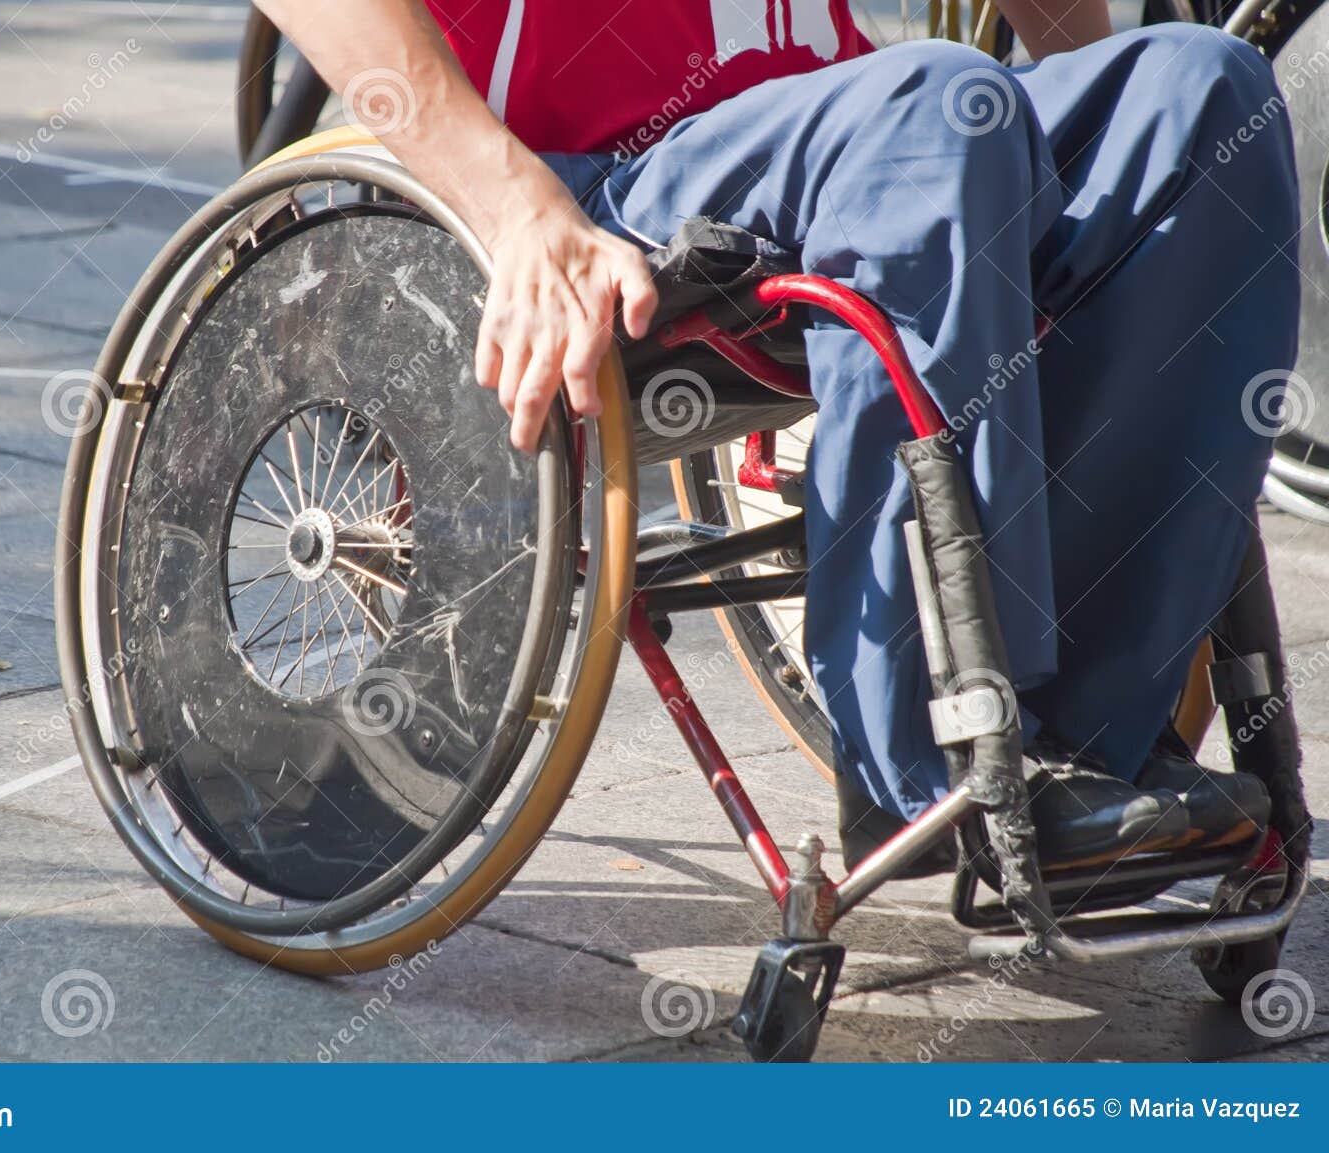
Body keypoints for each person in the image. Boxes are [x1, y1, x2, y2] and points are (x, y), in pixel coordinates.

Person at [257, 0, 1298, 870]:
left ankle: (1092, 741)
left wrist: (1106, 150)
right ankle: (932, 761)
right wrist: (512, 203)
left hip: (839, 137)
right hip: (602, 185)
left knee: (1205, 89)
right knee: (933, 101)